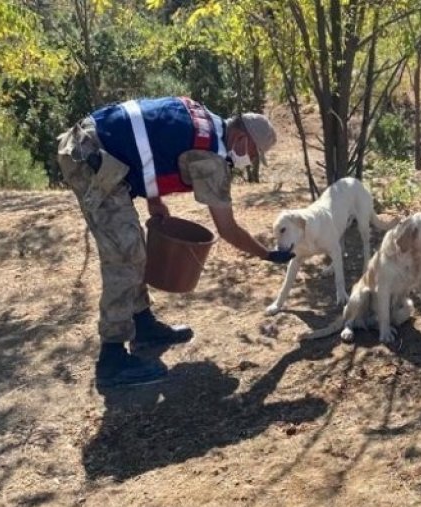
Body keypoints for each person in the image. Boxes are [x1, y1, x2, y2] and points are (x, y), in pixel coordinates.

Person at [56, 96, 294, 390]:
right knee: (125, 254)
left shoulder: (204, 118)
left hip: (93, 146)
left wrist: (154, 200)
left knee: (133, 247)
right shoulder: (212, 157)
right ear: (242, 138)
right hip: (89, 157)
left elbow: (150, 143)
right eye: (255, 154)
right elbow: (228, 228)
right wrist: (266, 254)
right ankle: (112, 358)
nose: (251, 161)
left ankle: (142, 325)